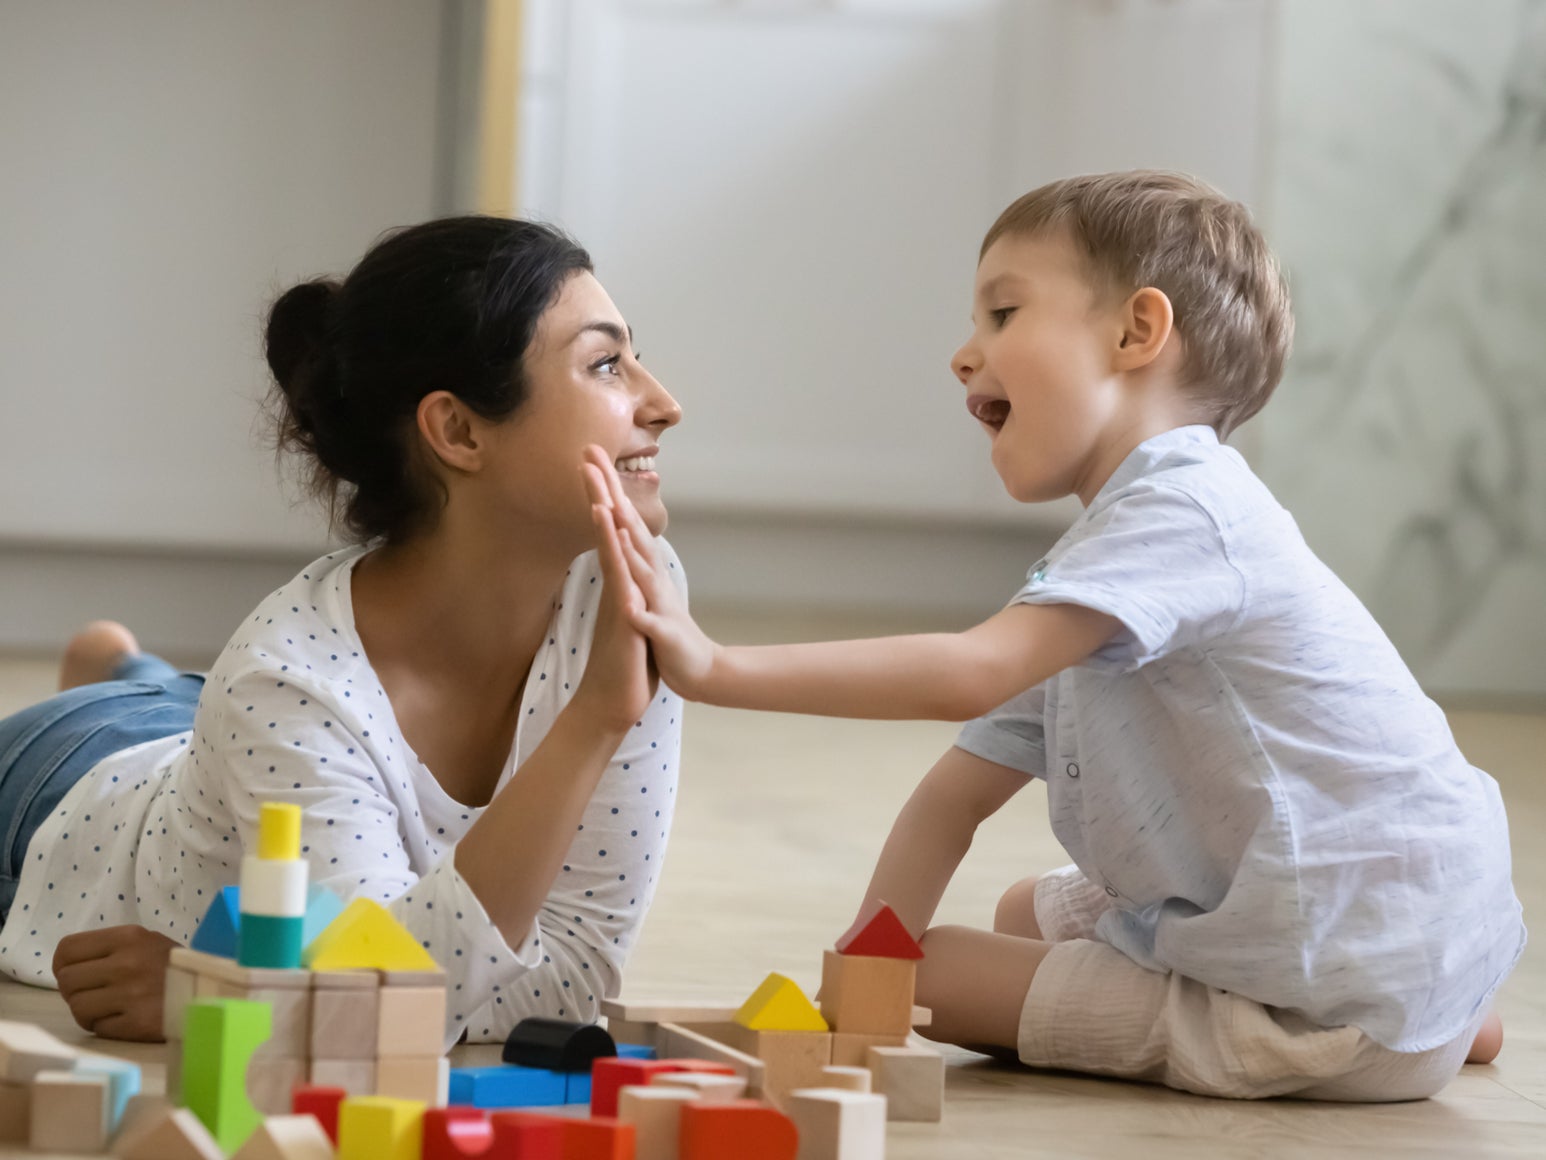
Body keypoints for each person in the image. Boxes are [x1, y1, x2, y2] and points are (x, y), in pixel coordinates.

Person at [582, 170, 1524, 1101]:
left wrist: (716, 666)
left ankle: (1374, 1041)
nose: (963, 353)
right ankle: (1437, 1022)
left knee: (940, 976)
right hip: (1405, 933)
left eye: (1002, 314)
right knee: (1021, 912)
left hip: (1318, 990)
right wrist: (861, 971)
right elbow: (952, 798)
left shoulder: (1185, 507)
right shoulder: (1111, 567)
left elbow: (965, 675)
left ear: (1135, 333)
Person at [0, 215, 686, 1048]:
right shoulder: (284, 680)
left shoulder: (626, 587)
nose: (664, 404)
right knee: (214, 719)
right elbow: (389, 1007)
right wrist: (594, 723)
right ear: (459, 432)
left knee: (207, 725)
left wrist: (246, 1000)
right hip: (57, 792)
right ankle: (117, 680)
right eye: (607, 364)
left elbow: (572, 987)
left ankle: (126, 668)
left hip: (223, 746)